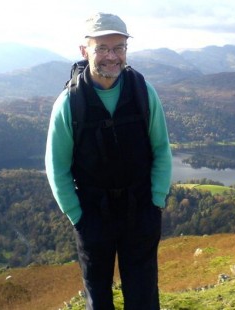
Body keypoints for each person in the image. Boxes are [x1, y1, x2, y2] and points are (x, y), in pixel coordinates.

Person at [45, 12, 172, 310]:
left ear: (126, 50)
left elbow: (161, 149)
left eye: (118, 48)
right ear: (84, 50)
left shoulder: (143, 91)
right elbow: (56, 167)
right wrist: (78, 216)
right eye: (102, 48)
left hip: (140, 210)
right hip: (92, 216)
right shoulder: (69, 102)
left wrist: (155, 202)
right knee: (98, 298)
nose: (111, 57)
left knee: (143, 296)